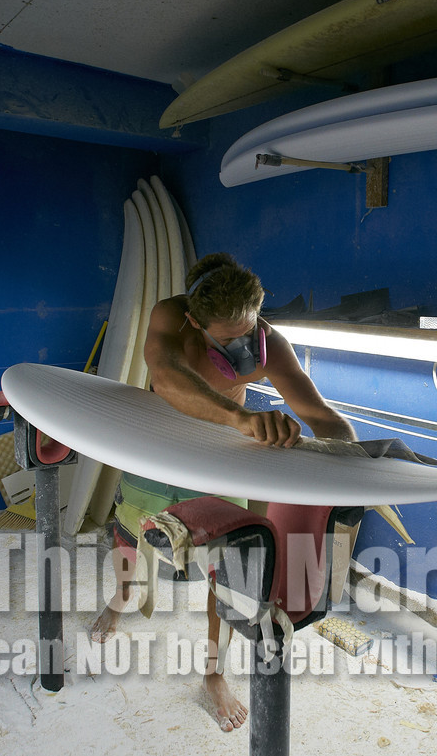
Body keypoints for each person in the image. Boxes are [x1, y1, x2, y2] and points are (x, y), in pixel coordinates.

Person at [90, 252, 356, 732]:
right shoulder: (171, 316)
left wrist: (356, 456)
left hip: (219, 456)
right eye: (230, 338)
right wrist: (242, 417)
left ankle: (213, 672)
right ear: (195, 320)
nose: (246, 345)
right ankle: (120, 597)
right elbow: (167, 376)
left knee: (230, 567)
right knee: (129, 534)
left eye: (250, 331)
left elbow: (320, 415)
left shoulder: (268, 343)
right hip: (160, 445)